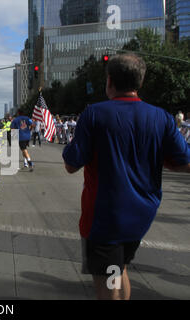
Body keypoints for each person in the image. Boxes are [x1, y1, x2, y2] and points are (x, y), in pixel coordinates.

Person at [62, 54, 190, 300]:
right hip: (142, 215)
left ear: (109, 81)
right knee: (119, 270)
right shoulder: (161, 117)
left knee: (108, 286)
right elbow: (183, 162)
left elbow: (71, 165)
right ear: (139, 82)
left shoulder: (94, 114)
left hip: (105, 218)